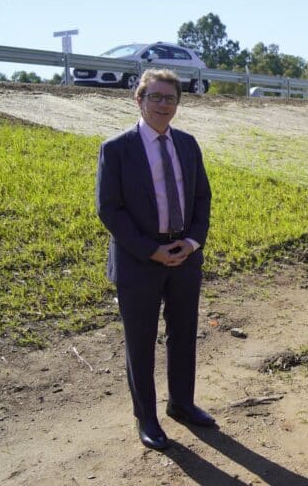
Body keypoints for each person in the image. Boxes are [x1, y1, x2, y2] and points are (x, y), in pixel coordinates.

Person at [95, 69, 215, 451]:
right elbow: (109, 209)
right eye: (156, 97)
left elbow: (202, 198)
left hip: (184, 256)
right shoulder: (117, 149)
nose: (164, 104)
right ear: (139, 99)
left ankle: (182, 403)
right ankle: (146, 417)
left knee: (183, 333)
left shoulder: (188, 144)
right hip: (139, 260)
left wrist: (192, 242)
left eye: (171, 98)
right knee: (141, 341)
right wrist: (151, 249)